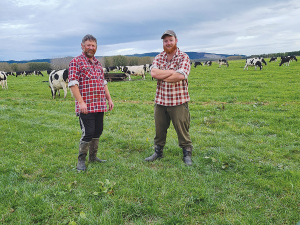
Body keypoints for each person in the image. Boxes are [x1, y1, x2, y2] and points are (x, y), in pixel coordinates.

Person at [145, 30, 193, 165]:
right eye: (165, 41)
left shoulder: (183, 57)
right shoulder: (159, 57)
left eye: (170, 40)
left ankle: (187, 152)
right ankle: (158, 151)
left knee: (182, 128)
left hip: (178, 100)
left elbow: (180, 75)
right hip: (161, 100)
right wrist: (171, 72)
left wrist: (163, 75)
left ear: (176, 41)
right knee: (159, 128)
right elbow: (153, 73)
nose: (168, 43)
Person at [68, 34, 114, 172]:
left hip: (99, 104)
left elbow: (103, 83)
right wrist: (81, 103)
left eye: (93, 45)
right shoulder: (76, 62)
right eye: (88, 45)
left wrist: (109, 99)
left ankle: (93, 157)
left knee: (98, 131)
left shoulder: (98, 64)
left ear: (96, 47)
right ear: (82, 46)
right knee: (88, 132)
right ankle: (81, 160)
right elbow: (73, 84)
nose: (91, 48)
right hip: (86, 106)